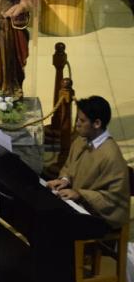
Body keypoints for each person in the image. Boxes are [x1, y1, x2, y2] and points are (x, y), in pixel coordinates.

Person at [47, 96, 130, 230]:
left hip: (99, 217)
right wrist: (64, 180)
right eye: (77, 119)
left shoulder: (111, 156)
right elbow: (70, 166)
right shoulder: (81, 140)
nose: (77, 124)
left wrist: (80, 194)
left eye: (82, 121)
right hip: (78, 205)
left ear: (97, 123)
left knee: (52, 224)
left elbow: (113, 199)